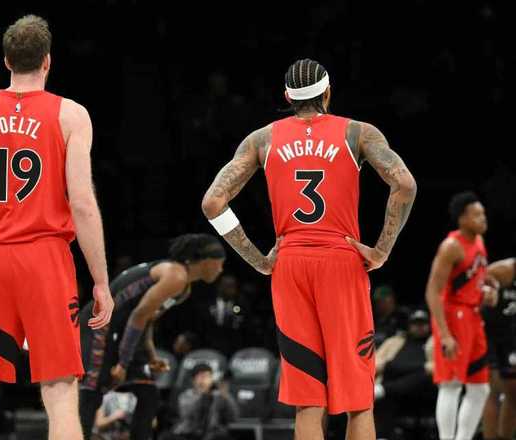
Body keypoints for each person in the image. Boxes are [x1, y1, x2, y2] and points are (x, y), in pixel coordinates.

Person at [201, 58, 417, 440]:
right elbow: (405, 185)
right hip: (341, 260)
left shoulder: (262, 139)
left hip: (290, 265)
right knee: (358, 400)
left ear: (287, 97)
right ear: (328, 92)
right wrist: (382, 250)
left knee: (307, 399)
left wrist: (259, 260)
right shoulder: (358, 132)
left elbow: (212, 202)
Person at [0, 15, 113, 440]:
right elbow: (83, 204)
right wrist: (101, 281)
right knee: (61, 394)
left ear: (6, 61)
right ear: (47, 60)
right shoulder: (71, 114)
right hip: (46, 260)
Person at [79, 233, 226, 440]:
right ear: (206, 261)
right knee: (91, 394)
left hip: (121, 331)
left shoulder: (184, 289)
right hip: (99, 324)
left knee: (147, 392)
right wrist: (123, 363)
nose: (221, 269)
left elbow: (147, 318)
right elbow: (138, 316)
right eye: (220, 263)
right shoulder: (175, 275)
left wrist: (151, 355)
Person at [425, 191, 498, 440]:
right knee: (451, 385)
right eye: (477, 215)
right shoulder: (451, 247)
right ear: (463, 218)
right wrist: (444, 335)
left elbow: (474, 277)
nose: (483, 219)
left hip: (474, 317)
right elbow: (432, 292)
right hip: (453, 317)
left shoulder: (479, 240)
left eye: (483, 214)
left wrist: (488, 289)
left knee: (480, 388)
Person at [374, 309, 437, 439]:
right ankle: (382, 435)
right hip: (393, 380)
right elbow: (375, 363)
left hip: (422, 387)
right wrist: (387, 366)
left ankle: (384, 389)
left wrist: (418, 368)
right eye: (415, 323)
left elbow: (435, 368)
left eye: (423, 323)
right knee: (389, 391)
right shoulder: (394, 341)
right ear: (409, 325)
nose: (419, 327)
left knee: (423, 376)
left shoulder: (435, 342)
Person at [481, 257, 516, 440]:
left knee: (513, 391)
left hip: (511, 335)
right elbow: (471, 292)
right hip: (488, 333)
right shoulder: (502, 271)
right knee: (493, 389)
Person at [160, 363, 239, 440]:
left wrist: (225, 394)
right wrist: (206, 395)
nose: (204, 380)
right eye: (201, 377)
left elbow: (233, 417)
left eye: (207, 376)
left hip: (212, 434)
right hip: (188, 434)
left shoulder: (219, 396)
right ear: (193, 380)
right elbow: (189, 415)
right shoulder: (186, 396)